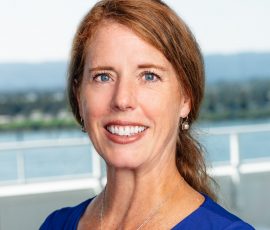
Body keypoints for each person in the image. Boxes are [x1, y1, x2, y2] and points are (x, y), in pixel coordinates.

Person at [40, 0, 254, 229]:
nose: (122, 100)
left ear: (185, 98)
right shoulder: (56, 224)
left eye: (149, 76)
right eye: (103, 77)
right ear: (78, 96)